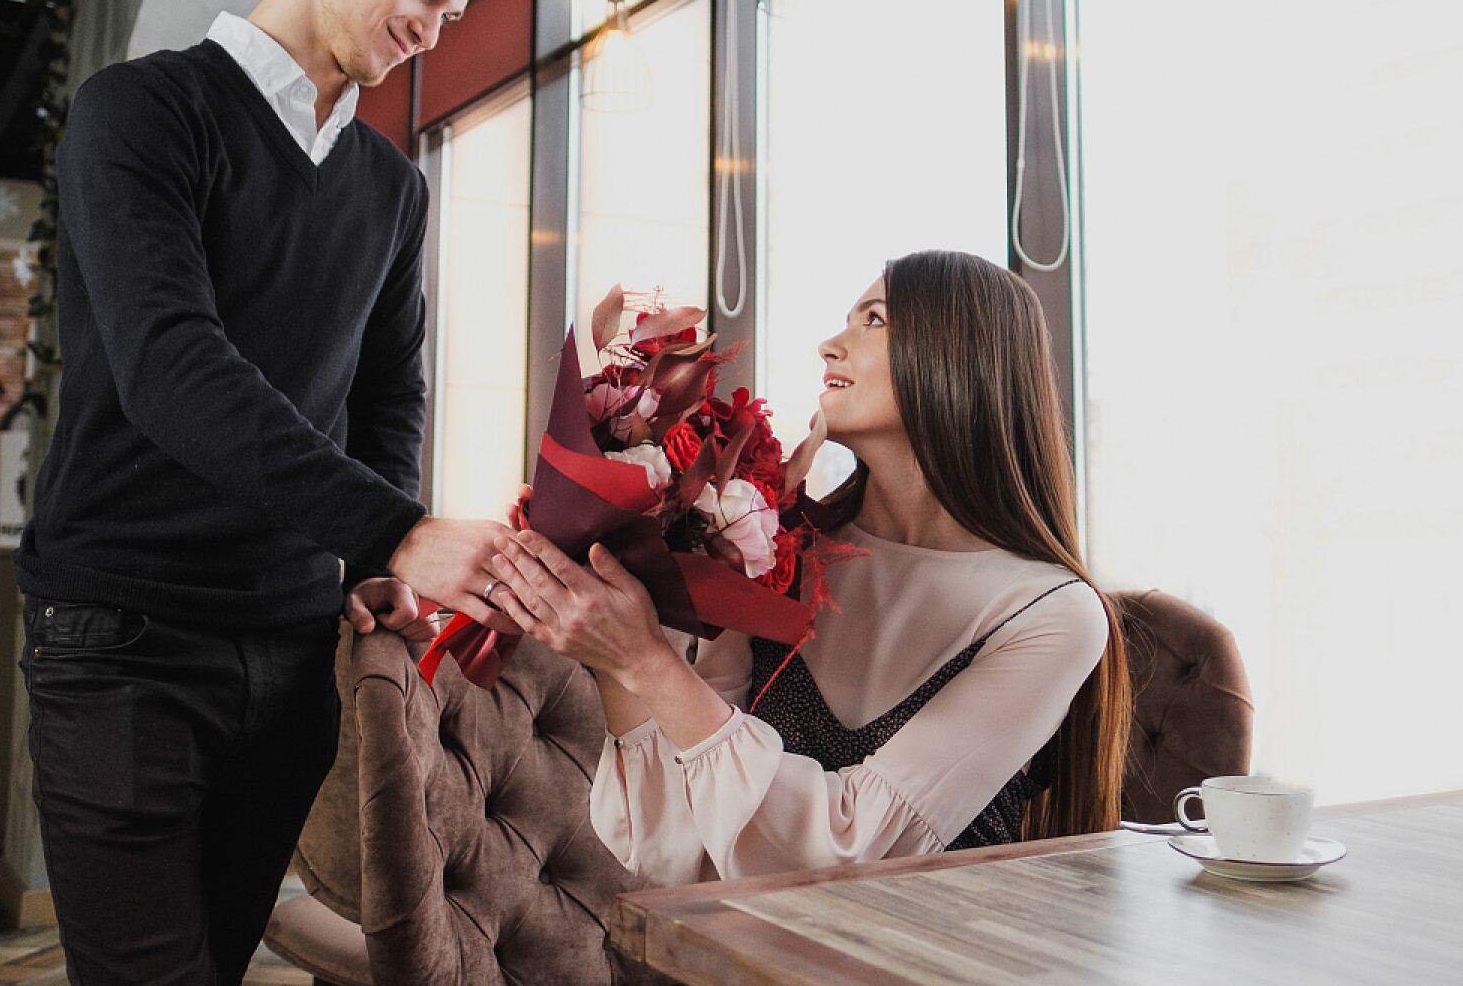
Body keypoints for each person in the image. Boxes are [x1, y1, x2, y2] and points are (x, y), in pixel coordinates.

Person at [16, 0, 524, 985]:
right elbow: (171, 366)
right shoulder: (141, 113)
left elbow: (389, 393)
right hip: (120, 641)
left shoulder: (392, 189)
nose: (434, 31)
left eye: (454, 7)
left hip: (294, 653)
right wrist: (397, 526)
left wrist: (367, 560)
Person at [485, 250, 1132, 885]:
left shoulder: (1051, 613)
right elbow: (674, 847)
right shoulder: (780, 551)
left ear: (960, 358)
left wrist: (645, 660)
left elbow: (853, 855)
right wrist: (608, 632)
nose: (829, 345)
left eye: (873, 320)